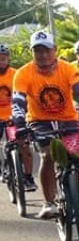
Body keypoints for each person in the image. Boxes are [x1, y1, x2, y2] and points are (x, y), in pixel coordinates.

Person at [12, 30, 79, 219]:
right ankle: (49, 203)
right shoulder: (23, 73)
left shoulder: (67, 69)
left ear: (55, 49)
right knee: (47, 157)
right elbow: (18, 101)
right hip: (39, 122)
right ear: (32, 53)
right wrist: (20, 125)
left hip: (68, 120)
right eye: (38, 51)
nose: (43, 55)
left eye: (47, 50)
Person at [0, 43, 36, 191]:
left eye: (3, 58)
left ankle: (28, 178)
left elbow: (25, 95)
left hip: (14, 117)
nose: (1, 61)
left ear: (8, 59)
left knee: (24, 146)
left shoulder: (16, 74)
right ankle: (3, 168)